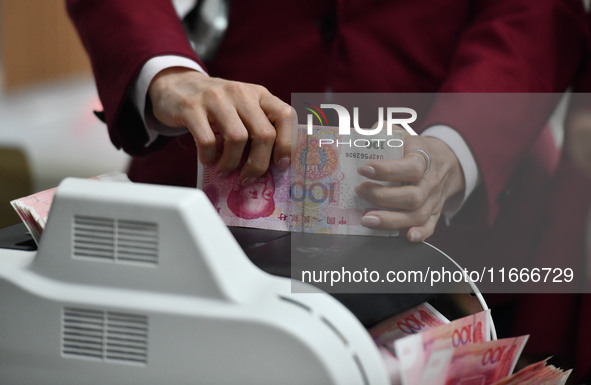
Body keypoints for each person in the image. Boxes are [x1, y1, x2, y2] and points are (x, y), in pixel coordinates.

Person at [65, 0, 588, 263]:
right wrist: (167, 74)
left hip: (465, 227)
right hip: (205, 201)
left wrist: (458, 148)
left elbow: (535, 10)